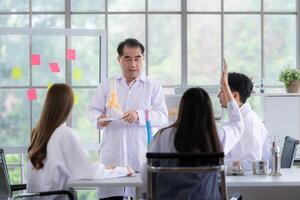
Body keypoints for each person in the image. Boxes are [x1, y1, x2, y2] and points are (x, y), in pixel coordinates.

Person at [142, 61, 244, 199]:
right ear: (209, 111)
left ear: (182, 110)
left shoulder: (163, 136)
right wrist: (225, 86)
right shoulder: (217, 136)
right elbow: (238, 123)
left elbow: (147, 174)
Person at [87, 38, 168, 199]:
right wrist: (98, 119)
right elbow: (92, 110)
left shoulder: (152, 86)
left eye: (137, 58)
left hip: (140, 155)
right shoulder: (108, 85)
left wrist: (138, 115)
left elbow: (162, 116)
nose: (133, 64)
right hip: (113, 155)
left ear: (143, 59)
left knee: (142, 193)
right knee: (112, 196)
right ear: (119, 60)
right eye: (128, 59)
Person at [27, 83, 133, 200]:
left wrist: (106, 168)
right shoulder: (64, 134)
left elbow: (76, 168)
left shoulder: (38, 133)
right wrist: (122, 170)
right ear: (68, 107)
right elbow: (90, 173)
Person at [218, 72, 268, 170]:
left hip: (251, 180)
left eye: (222, 91)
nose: (218, 95)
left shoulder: (250, 122)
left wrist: (220, 165)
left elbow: (251, 162)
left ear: (235, 95)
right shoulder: (237, 118)